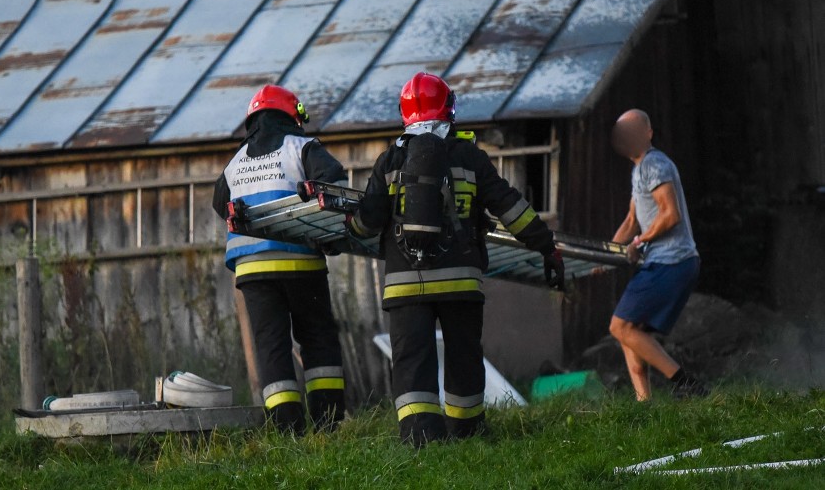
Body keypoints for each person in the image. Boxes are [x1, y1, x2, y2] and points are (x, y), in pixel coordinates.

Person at [349, 72, 565, 446]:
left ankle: (420, 439)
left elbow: (367, 223)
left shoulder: (391, 159)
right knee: (464, 358)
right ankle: (466, 434)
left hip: (405, 285)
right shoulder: (469, 156)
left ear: (405, 113)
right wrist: (547, 246)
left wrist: (348, 222)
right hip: (460, 281)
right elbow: (511, 207)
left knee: (413, 362)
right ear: (449, 108)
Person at [212, 85, 347, 434]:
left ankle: (287, 430)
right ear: (292, 116)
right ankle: (327, 425)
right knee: (317, 338)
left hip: (252, 271)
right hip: (301, 263)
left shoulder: (236, 162)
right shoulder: (302, 148)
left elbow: (219, 203)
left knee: (271, 348)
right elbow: (334, 182)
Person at [608, 109, 707, 401]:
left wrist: (640, 241)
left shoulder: (654, 164)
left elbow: (670, 214)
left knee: (620, 326)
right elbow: (631, 221)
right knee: (631, 331)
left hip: (672, 260)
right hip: (663, 260)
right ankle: (644, 403)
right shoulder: (640, 169)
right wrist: (606, 254)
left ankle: (685, 384)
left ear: (648, 133)